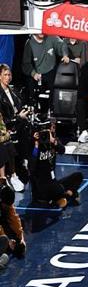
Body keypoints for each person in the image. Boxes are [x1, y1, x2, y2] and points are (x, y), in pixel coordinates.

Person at [29, 125, 83, 208]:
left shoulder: (53, 142)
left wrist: (53, 141)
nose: (46, 135)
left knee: (78, 176)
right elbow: (32, 166)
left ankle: (62, 197)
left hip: (53, 182)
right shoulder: (34, 145)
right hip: (41, 185)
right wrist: (36, 144)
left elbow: (62, 150)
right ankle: (65, 196)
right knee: (60, 190)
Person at [0, 64, 27, 192]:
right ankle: (8, 176)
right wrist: (17, 118)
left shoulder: (13, 91)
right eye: (5, 75)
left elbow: (19, 107)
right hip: (6, 126)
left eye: (9, 74)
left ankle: (23, 165)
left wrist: (23, 114)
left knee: (29, 130)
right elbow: (4, 119)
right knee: (7, 143)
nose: (8, 77)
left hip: (16, 123)